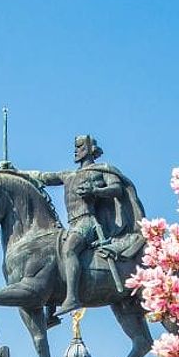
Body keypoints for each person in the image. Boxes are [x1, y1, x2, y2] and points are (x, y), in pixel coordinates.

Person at [29, 135, 145, 316]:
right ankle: (50, 310)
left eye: (80, 146)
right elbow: (42, 177)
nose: (76, 150)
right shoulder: (68, 175)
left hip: (88, 222)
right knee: (50, 255)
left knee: (69, 250)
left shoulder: (102, 170)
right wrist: (15, 172)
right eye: (75, 147)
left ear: (90, 149)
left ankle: (73, 298)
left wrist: (95, 191)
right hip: (72, 224)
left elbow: (117, 188)